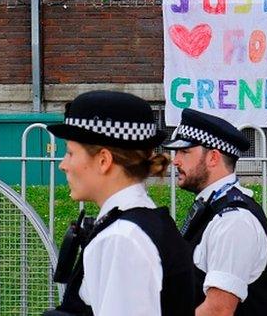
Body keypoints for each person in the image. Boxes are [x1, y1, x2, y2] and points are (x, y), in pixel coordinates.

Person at [44, 90, 195, 316]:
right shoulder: (146, 224)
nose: (63, 165)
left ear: (104, 160)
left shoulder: (121, 239)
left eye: (71, 153)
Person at [162, 108, 267, 316]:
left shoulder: (234, 221)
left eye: (185, 152)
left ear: (213, 157)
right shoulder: (214, 208)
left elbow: (218, 310)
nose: (175, 160)